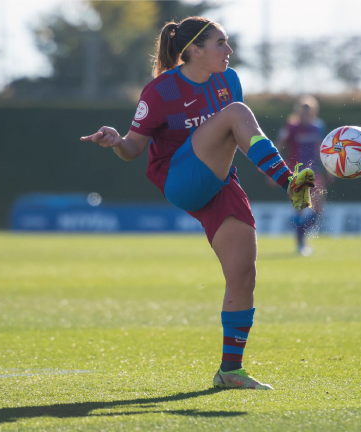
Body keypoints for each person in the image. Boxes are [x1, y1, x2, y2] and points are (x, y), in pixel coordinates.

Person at [80, 16, 315, 389]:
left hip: (220, 181)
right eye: (221, 43)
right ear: (194, 51)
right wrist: (115, 141)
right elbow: (133, 149)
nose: (229, 50)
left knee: (243, 275)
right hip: (179, 179)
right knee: (236, 113)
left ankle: (230, 371)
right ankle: (289, 182)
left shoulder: (230, 80)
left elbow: (237, 138)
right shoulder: (160, 91)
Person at [276, 95, 328, 256]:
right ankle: (300, 244)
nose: (306, 113)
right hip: (296, 172)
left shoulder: (318, 126)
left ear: (314, 111)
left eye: (309, 109)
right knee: (299, 208)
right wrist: (274, 168)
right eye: (303, 109)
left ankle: (303, 234)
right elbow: (279, 145)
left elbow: (322, 149)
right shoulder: (291, 127)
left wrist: (328, 169)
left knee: (318, 207)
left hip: (315, 172)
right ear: (299, 111)